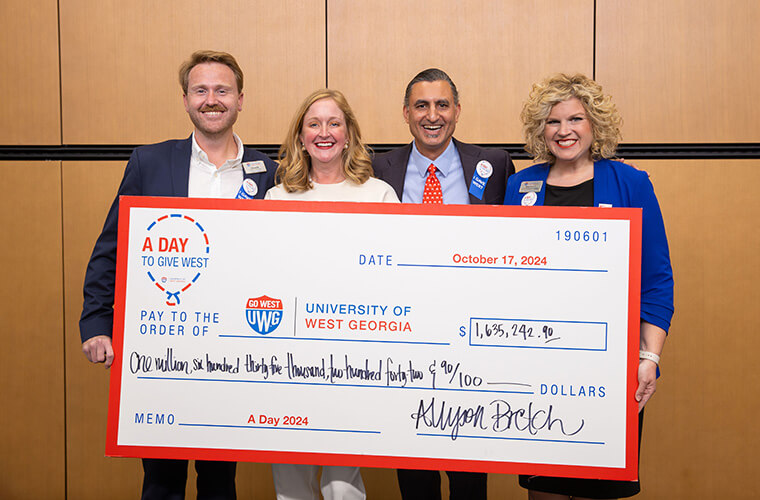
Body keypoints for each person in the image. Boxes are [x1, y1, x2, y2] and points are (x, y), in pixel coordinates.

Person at [79, 50, 278, 500]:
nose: (212, 100)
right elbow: (111, 250)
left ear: (241, 100)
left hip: (234, 352)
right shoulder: (150, 162)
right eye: (201, 90)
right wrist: (96, 324)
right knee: (162, 482)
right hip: (161, 348)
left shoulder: (271, 173)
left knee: (219, 480)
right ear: (185, 100)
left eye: (222, 90)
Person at [505, 73, 674, 500]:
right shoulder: (520, 185)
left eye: (575, 119)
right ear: (540, 130)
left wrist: (648, 357)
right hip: (538, 366)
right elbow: (506, 279)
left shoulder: (629, 183)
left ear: (595, 124)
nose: (565, 131)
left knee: (600, 487)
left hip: (609, 367)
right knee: (545, 487)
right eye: (553, 121)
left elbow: (656, 281)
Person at [371, 68, 514, 500]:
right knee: (414, 468)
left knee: (469, 471)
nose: (432, 115)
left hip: (472, 338)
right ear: (405, 113)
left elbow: (529, 223)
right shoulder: (378, 167)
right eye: (421, 105)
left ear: (457, 111)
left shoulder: (497, 164)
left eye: (442, 105)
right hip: (404, 334)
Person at [266, 88, 398, 499]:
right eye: (314, 124)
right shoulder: (276, 198)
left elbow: (395, 277)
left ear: (349, 133)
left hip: (354, 354)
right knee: (290, 477)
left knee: (343, 482)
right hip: (290, 353)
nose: (324, 133)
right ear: (301, 137)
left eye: (334, 123)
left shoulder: (378, 195)